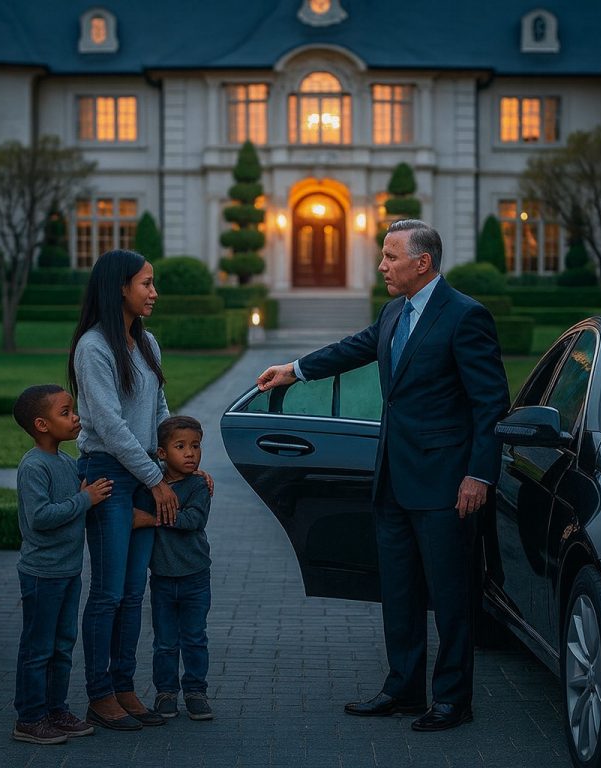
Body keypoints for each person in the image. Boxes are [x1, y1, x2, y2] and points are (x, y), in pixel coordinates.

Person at [257, 220, 510, 732]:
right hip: (391, 479)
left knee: (452, 595)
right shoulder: (394, 310)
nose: (381, 265)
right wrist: (295, 369)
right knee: (398, 591)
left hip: (445, 485)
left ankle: (452, 700)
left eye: (391, 256)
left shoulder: (465, 316)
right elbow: (355, 347)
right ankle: (402, 690)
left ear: (423, 262)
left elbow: (491, 405)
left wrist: (478, 476)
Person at [68, 249, 174, 730]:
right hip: (108, 474)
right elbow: (109, 425)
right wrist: (155, 480)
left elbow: (160, 410)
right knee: (108, 592)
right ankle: (99, 694)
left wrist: (175, 468)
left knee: (134, 593)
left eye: (152, 283)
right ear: (119, 288)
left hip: (144, 473)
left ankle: (126, 687)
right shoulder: (93, 347)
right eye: (146, 284)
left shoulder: (146, 342)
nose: (153, 292)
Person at [12, 384, 113, 745]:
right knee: (38, 648)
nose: (76, 418)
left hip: (68, 571)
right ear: (41, 424)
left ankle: (56, 710)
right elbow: (40, 517)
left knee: (61, 645)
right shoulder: (34, 466)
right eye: (66, 413)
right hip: (42, 573)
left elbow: (73, 510)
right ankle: (29, 717)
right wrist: (84, 499)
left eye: (73, 411)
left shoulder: (67, 463)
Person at [132, 415, 214, 721]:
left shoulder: (198, 486)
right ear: (162, 453)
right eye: (181, 446)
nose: (191, 453)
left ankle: (196, 692)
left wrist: (152, 519)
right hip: (163, 579)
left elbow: (194, 521)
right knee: (165, 641)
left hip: (195, 576)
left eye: (195, 446)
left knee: (194, 637)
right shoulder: (151, 486)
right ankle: (166, 692)